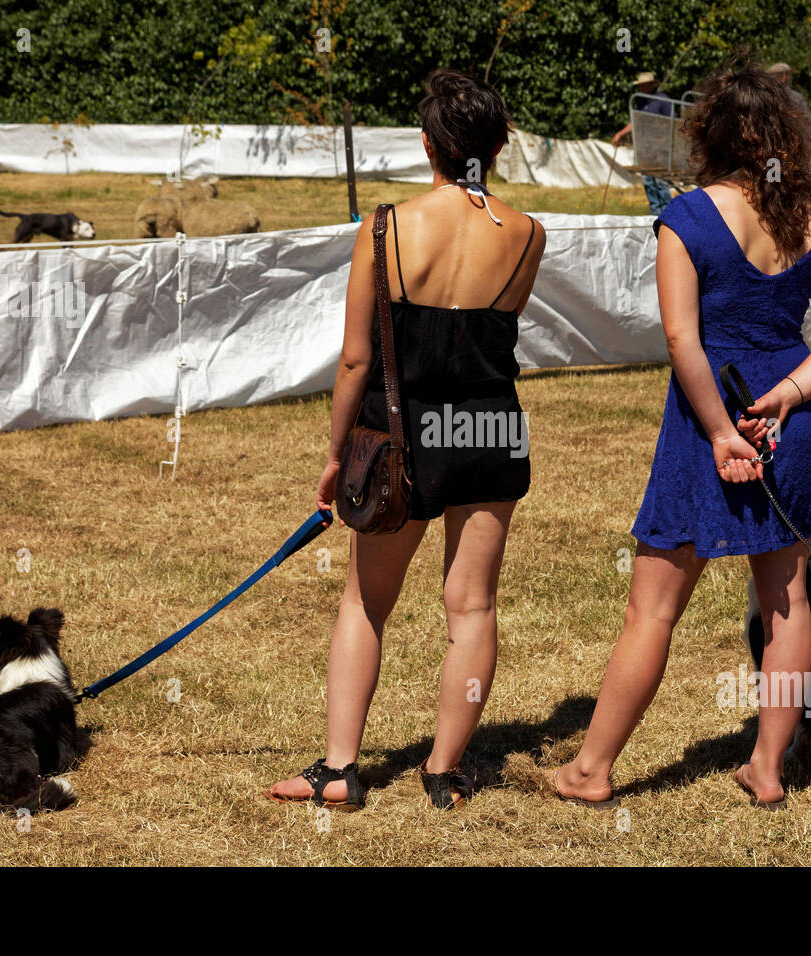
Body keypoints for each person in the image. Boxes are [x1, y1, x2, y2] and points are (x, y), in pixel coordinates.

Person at [552, 59, 811, 810]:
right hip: (791, 429)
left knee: (652, 608)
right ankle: (768, 768)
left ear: (709, 133)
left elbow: (681, 339)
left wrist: (723, 432)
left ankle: (590, 770)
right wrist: (788, 395)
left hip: (707, 428)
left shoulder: (687, 217)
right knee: (787, 598)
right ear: (787, 137)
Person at [267, 69, 546, 812]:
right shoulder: (527, 235)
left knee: (366, 600)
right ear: (496, 146)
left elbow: (357, 358)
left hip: (405, 434)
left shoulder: (386, 227)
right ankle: (444, 771)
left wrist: (334, 459)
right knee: (473, 607)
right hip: (490, 428)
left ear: (427, 144)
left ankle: (338, 771)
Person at [612, 71, 676, 216]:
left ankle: (667, 214)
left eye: (642, 85)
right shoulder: (641, 101)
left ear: (650, 85)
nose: (640, 88)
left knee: (660, 182)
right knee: (648, 182)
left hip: (659, 148)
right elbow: (636, 121)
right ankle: (655, 213)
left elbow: (672, 123)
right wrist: (621, 134)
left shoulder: (663, 100)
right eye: (639, 86)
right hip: (645, 147)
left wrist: (666, 143)